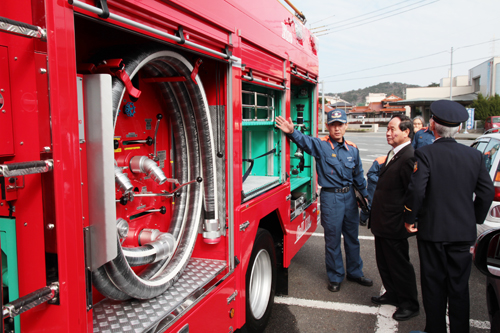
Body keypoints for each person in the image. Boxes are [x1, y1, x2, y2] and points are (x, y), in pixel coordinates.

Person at [403, 100, 495, 333]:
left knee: (434, 287)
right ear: (459, 128)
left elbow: (416, 190)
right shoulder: (474, 156)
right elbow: (485, 192)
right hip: (462, 234)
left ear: (432, 125)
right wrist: (472, 218)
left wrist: (410, 219)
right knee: (459, 287)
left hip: (432, 232)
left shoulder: (425, 154)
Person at [275, 108, 373, 292]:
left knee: (353, 238)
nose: (337, 129)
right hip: (331, 198)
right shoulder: (322, 146)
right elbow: (305, 142)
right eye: (333, 125)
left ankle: (355, 272)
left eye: (340, 125)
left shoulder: (353, 149)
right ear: (327, 126)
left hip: (350, 198)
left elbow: (359, 176)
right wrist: (291, 132)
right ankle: (336, 276)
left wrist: (366, 196)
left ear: (346, 126)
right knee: (333, 240)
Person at [369, 115, 420, 321]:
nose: (388, 133)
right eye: (387, 129)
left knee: (399, 265)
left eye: (392, 129)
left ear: (406, 131)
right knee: (384, 262)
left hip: (394, 223)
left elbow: (413, 192)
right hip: (383, 221)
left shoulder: (409, 157)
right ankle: (392, 293)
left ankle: (409, 303)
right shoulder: (395, 153)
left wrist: (409, 219)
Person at [359, 156, 386, 226]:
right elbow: (370, 174)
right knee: (370, 204)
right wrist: (382, 181)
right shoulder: (380, 161)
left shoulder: (399, 162)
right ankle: (363, 219)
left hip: (386, 185)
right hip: (374, 185)